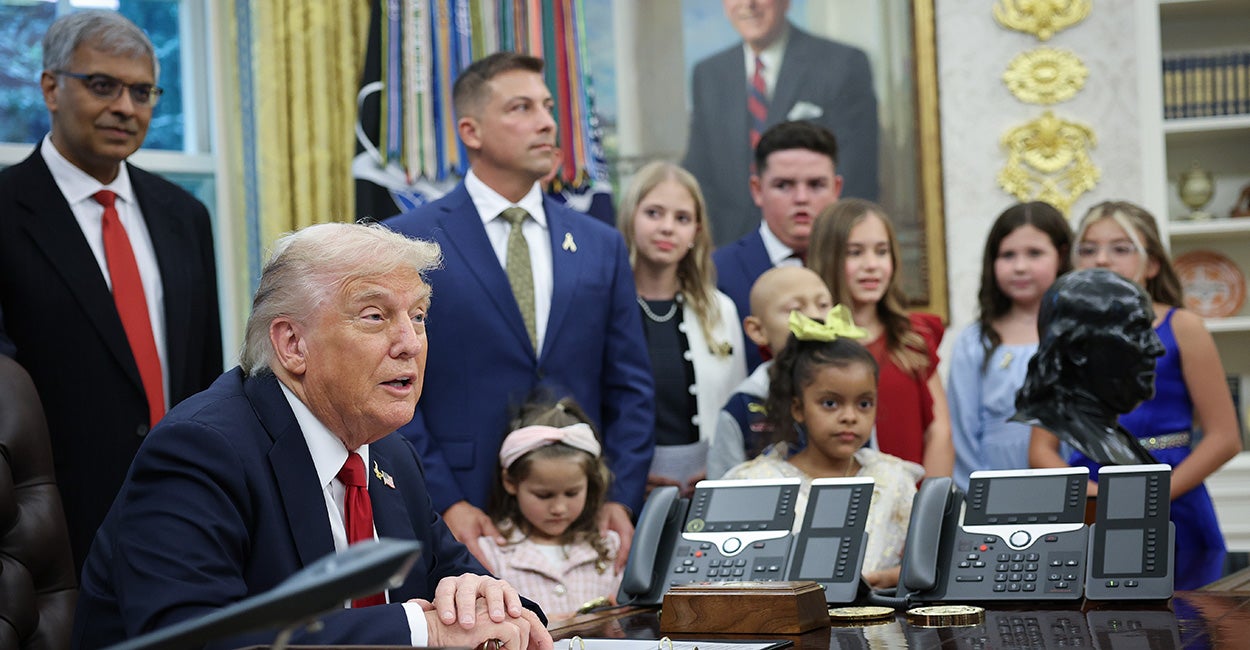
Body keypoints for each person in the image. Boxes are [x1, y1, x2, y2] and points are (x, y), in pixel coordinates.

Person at [73, 222, 552, 649]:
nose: (410, 343)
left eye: (419, 316)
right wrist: (420, 629)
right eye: (375, 316)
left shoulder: (390, 456)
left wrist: (492, 602)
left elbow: (477, 596)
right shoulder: (200, 452)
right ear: (292, 344)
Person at [384, 52, 654, 572]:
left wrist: (618, 497)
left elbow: (631, 386)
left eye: (548, 106)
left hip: (582, 518)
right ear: (471, 131)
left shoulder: (600, 244)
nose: (548, 122)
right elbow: (391, 388)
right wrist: (443, 502)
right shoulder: (407, 242)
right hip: (459, 514)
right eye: (521, 107)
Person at [0, 9, 221, 570]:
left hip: (185, 508)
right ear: (51, 88)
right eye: (103, 85)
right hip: (52, 525)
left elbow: (204, 373)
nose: (126, 107)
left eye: (142, 92)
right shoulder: (5, 210)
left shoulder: (185, 215)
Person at [1028, 201, 1241, 577]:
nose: (1101, 260)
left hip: (1173, 494)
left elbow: (1225, 438)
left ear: (1152, 263)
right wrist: (1093, 497)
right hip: (1091, 502)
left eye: (1121, 248)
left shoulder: (1183, 327)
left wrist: (1154, 494)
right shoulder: (1064, 333)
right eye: (1088, 249)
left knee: (1187, 608)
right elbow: (1041, 449)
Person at [723, 306, 922, 589]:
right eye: (830, 403)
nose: (850, 417)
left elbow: (933, 559)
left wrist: (893, 577)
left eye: (864, 403)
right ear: (798, 408)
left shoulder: (892, 478)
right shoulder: (758, 483)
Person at [685, 0, 878, 247]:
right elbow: (699, 173)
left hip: (816, 248)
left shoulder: (842, 65)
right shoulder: (709, 74)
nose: (749, 4)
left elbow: (857, 176)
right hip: (732, 249)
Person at [617, 161, 746, 495]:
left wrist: (721, 469)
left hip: (710, 485)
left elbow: (736, 404)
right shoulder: (606, 305)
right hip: (625, 486)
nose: (667, 228)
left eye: (682, 218)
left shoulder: (720, 310)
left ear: (697, 231)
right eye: (654, 213)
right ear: (630, 217)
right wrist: (624, 475)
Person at [807, 199, 953, 477]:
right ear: (828, 258)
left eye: (882, 251)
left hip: (910, 496)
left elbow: (939, 430)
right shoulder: (812, 343)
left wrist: (929, 500)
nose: (872, 265)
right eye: (855, 253)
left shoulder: (913, 337)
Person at [947, 202, 1072, 491]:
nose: (1020, 267)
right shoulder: (975, 341)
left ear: (1062, 255)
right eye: (1008, 255)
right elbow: (962, 431)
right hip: (993, 488)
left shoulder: (1077, 335)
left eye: (1034, 253)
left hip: (1070, 484)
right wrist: (978, 494)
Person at [713, 120, 843, 373]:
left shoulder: (854, 267)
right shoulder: (720, 273)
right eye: (783, 185)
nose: (801, 198)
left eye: (816, 185)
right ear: (757, 190)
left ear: (836, 189)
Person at [479, 398, 622, 621]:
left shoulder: (610, 546)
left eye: (572, 493)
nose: (559, 508)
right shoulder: (490, 554)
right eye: (544, 495)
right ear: (510, 482)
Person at [708, 265, 832, 479]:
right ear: (757, 330)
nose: (814, 316)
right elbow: (723, 492)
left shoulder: (851, 391)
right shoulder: (742, 407)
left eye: (823, 305)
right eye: (795, 309)